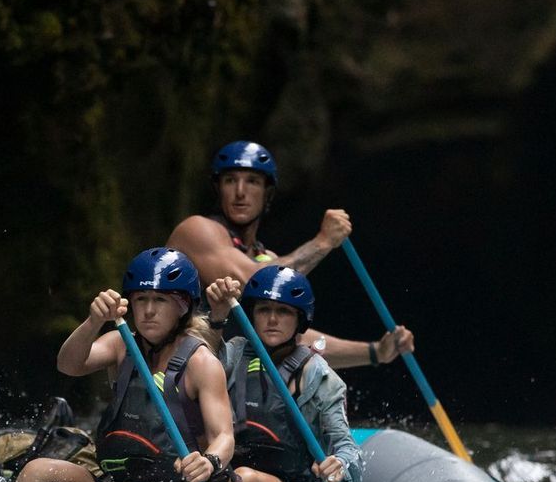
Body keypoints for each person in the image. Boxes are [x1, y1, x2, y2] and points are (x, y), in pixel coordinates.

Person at [13, 248, 235, 482]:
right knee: (37, 474)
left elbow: (224, 437)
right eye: (141, 300)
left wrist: (209, 461)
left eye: (160, 300)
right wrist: (93, 321)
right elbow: (68, 364)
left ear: (182, 306)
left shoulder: (201, 362)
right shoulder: (122, 345)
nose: (148, 310)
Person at [165, 140, 414, 370]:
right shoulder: (197, 231)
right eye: (230, 180)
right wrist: (323, 242)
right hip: (176, 376)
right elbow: (253, 281)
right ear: (218, 189)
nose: (240, 191)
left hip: (221, 383)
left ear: (267, 192)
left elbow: (298, 340)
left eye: (252, 181)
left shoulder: (265, 257)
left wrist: (374, 352)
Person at [204, 267, 362, 482]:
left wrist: (340, 465)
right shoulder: (235, 354)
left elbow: (349, 451)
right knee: (235, 479)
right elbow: (193, 369)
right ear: (251, 313)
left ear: (300, 319)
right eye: (264, 309)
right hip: (227, 477)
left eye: (284, 311)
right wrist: (217, 316)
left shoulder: (318, 375)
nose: (272, 319)